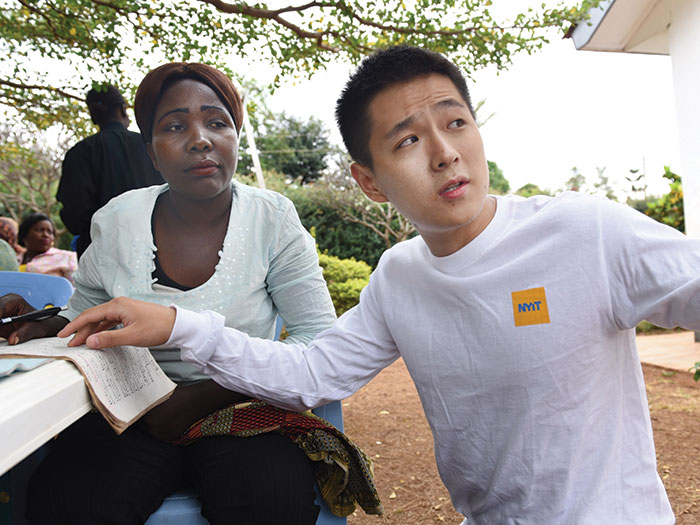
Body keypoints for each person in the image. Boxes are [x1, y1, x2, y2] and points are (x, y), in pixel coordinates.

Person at [61, 45, 700, 524]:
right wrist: (178, 325)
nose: (445, 153)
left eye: (455, 124)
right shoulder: (402, 275)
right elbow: (314, 372)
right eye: (408, 141)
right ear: (369, 181)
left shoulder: (584, 232)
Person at [1, 63, 339, 524]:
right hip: (131, 412)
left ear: (236, 136)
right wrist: (39, 323)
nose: (200, 138)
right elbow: (86, 311)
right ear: (152, 154)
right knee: (65, 504)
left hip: (238, 406)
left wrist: (199, 398)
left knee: (268, 503)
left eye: (217, 122)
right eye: (175, 126)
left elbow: (318, 342)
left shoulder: (273, 220)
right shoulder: (116, 220)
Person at [57, 84, 163, 257]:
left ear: (93, 117)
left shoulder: (79, 153)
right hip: (156, 252)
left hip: (100, 257)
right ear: (123, 110)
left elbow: (74, 216)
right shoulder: (151, 147)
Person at [17, 213, 77, 282]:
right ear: (24, 234)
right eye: (40, 230)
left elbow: (76, 287)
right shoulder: (14, 259)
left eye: (50, 232)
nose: (45, 235)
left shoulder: (67, 257)